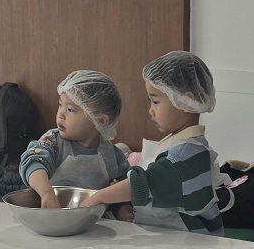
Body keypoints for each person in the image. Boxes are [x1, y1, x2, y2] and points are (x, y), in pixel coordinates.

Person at [91, 52, 224, 233]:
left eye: (155, 101)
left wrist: (97, 198)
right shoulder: (178, 143)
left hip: (190, 243)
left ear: (186, 101)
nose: (150, 111)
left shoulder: (187, 153)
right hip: (170, 238)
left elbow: (145, 183)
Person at [21, 70, 130, 209]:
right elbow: (32, 163)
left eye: (70, 110)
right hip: (50, 214)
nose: (60, 114)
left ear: (100, 121)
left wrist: (122, 209)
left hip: (93, 219)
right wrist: (47, 193)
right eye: (60, 104)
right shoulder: (53, 141)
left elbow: (124, 190)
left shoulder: (113, 157)